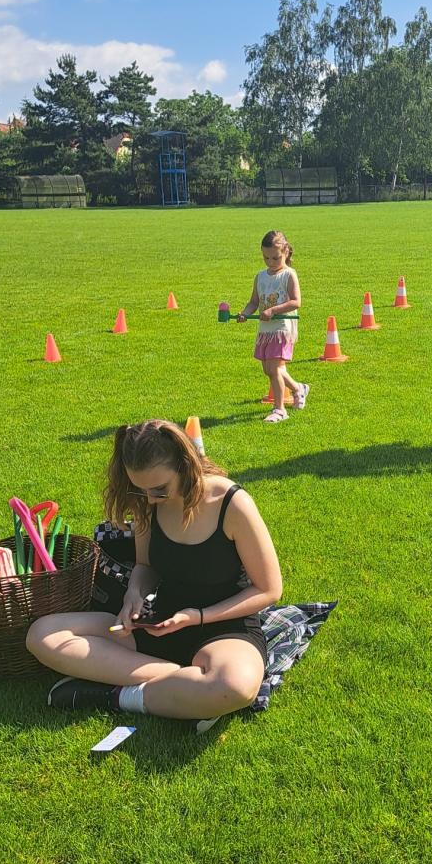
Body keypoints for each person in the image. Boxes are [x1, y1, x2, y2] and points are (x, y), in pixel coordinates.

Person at [27, 420, 283, 725]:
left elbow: (269, 590)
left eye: (160, 490)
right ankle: (184, 683)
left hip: (224, 626)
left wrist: (197, 616)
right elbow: (145, 566)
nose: (149, 500)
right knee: (42, 635)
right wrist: (133, 596)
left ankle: (116, 696)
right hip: (159, 623)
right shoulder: (147, 502)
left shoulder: (231, 503)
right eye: (140, 489)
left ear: (185, 466)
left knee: (235, 687)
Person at [237, 229, 309, 423]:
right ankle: (299, 388)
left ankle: (279, 409)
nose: (270, 262)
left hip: (282, 329)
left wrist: (273, 310)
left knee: (275, 369)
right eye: (266, 258)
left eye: (275, 258)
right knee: (269, 370)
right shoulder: (260, 277)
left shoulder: (289, 274)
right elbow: (254, 302)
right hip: (265, 330)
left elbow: (296, 301)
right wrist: (245, 314)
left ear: (285, 252)